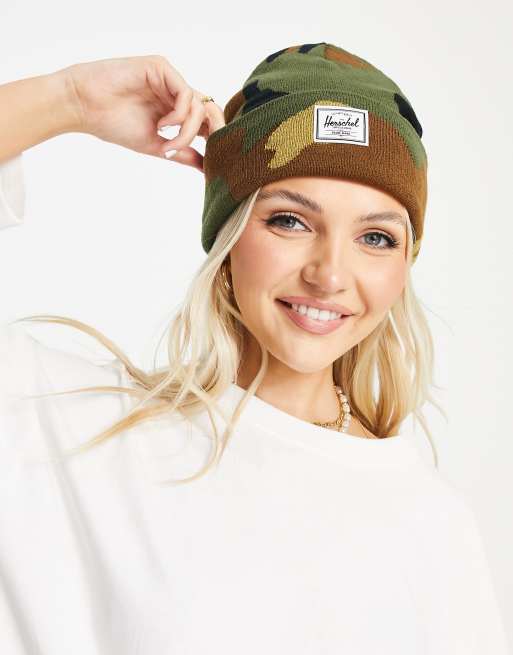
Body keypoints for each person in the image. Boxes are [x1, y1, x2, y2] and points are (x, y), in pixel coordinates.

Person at [0, 43, 510, 654]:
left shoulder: (433, 526)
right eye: (290, 221)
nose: (329, 275)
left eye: (375, 237)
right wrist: (69, 100)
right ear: (229, 235)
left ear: (405, 264)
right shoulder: (75, 429)